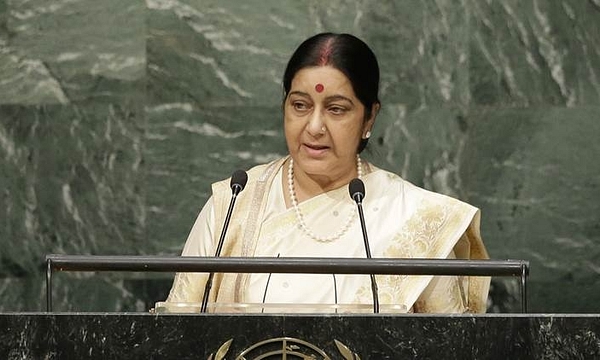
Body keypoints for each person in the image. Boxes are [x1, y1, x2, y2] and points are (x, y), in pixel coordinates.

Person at [165, 32, 490, 313]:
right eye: (300, 105)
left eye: (336, 109)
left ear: (369, 119)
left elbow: (452, 345)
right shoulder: (233, 205)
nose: (315, 127)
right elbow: (175, 335)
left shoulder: (417, 219)